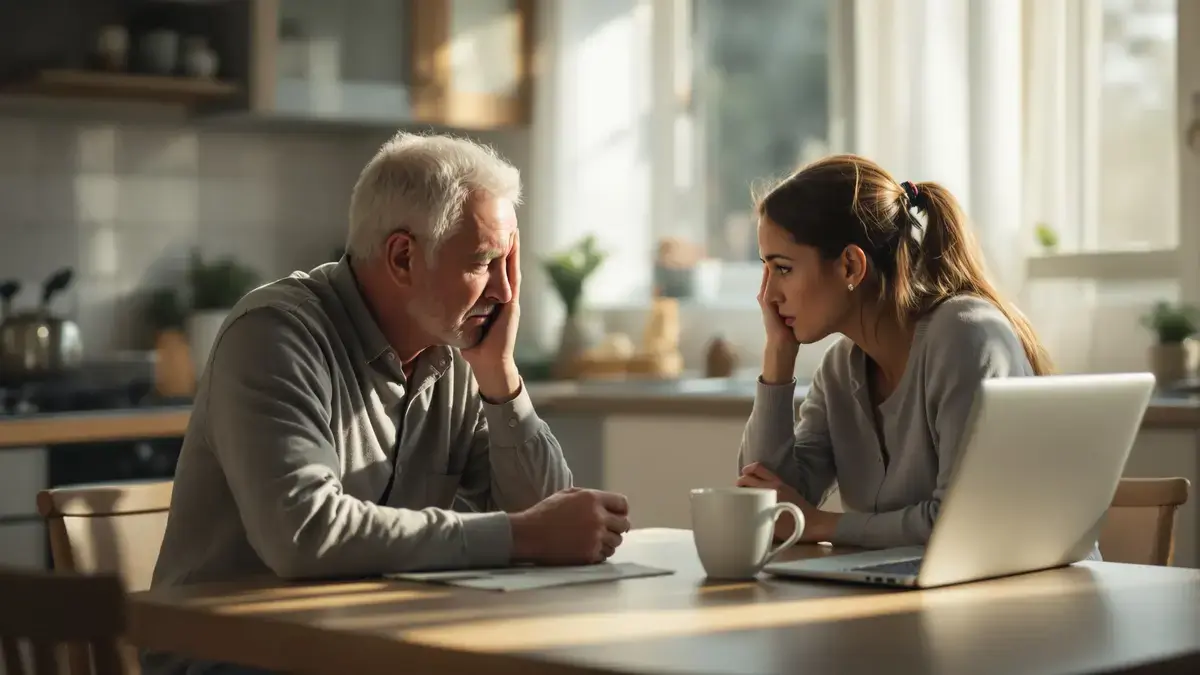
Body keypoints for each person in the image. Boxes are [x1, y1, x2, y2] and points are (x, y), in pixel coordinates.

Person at [143, 132, 631, 674]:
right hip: (234, 658)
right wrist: (523, 534)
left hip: (367, 646)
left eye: (506, 264)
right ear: (403, 257)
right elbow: (306, 535)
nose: (505, 292)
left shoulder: (455, 353)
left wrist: (501, 376)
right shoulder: (275, 335)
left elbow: (549, 522)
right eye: (483, 262)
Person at [736, 153, 1076, 554]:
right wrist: (778, 356)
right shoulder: (839, 370)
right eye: (765, 269)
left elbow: (961, 525)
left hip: (1031, 601)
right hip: (913, 599)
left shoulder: (964, 336)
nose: (767, 295)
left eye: (783, 269)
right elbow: (768, 502)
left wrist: (821, 524)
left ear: (849, 266)